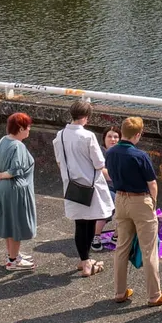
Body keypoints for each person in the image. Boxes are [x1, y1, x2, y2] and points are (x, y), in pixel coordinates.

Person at [107, 117, 162, 306]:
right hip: (139, 200)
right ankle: (154, 294)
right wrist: (152, 203)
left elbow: (111, 174)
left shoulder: (111, 152)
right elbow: (152, 183)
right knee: (149, 249)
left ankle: (119, 292)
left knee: (122, 247)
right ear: (138, 134)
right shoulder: (140, 155)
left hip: (120, 198)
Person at [52, 100, 115, 277]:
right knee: (90, 223)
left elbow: (59, 161)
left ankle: (84, 259)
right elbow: (98, 163)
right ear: (86, 117)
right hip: (90, 185)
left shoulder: (60, 135)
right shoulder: (88, 136)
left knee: (80, 223)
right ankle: (86, 262)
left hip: (72, 186)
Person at [0, 113, 38, 270]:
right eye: (28, 127)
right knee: (16, 224)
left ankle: (12, 255)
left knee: (7, 223)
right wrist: (5, 174)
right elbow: (16, 168)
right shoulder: (18, 146)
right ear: (21, 128)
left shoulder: (2, 141)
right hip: (14, 188)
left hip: (1, 188)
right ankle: (13, 261)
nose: (29, 130)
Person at [92, 127, 121, 248]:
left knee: (126, 209)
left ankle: (116, 236)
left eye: (116, 137)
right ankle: (96, 236)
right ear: (104, 138)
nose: (113, 139)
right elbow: (101, 171)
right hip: (103, 187)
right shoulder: (99, 152)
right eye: (109, 136)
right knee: (109, 208)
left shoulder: (121, 152)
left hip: (120, 186)